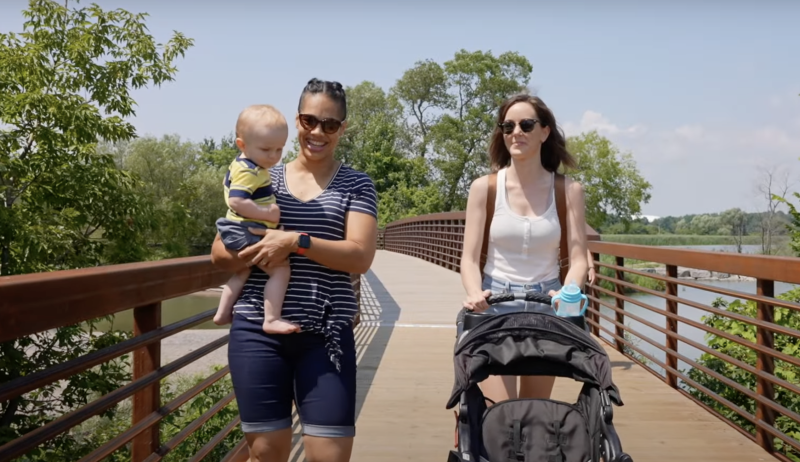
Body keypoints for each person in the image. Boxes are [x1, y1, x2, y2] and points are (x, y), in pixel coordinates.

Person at [211, 78, 378, 462]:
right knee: (267, 453)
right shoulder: (263, 174)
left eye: (330, 124)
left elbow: (359, 257)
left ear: (342, 129)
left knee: (329, 455)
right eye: (309, 120)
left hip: (325, 333)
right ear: (297, 120)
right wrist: (256, 248)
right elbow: (220, 254)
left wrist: (294, 241)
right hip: (257, 330)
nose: (317, 132)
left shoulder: (357, 185)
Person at [458, 93, 590, 405]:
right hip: (494, 304)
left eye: (526, 124)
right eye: (508, 126)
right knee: (496, 413)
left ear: (545, 132)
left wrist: (568, 293)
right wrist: (474, 292)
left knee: (535, 414)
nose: (516, 132)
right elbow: (468, 257)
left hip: (547, 304)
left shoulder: (569, 191)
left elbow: (579, 259)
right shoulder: (484, 188)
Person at [213, 104, 299, 335]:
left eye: (279, 149)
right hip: (246, 229)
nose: (274, 156)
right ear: (242, 144)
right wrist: (268, 215)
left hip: (240, 228)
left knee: (242, 271)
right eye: (266, 149)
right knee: (280, 271)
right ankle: (271, 319)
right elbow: (236, 201)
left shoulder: (246, 164)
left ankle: (222, 313)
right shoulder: (249, 170)